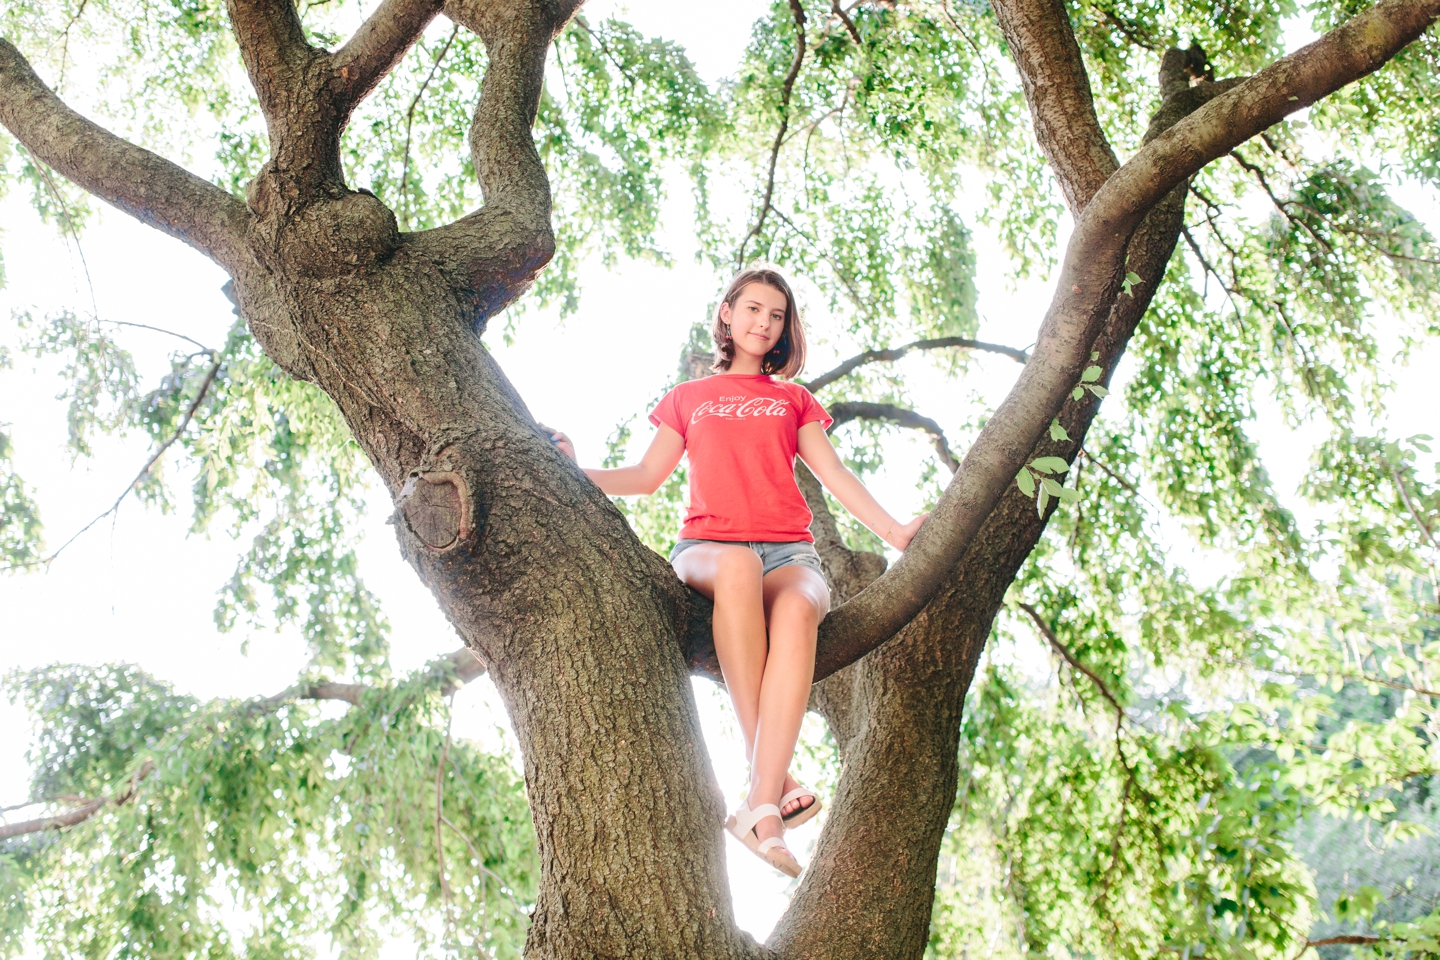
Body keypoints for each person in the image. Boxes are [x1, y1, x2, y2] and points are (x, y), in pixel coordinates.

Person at [549, 267, 927, 878]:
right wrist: (569, 471)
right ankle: (770, 793)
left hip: (789, 553)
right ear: (727, 313)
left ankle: (757, 802)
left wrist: (897, 533)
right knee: (739, 564)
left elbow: (835, 476)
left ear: (784, 329)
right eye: (753, 309)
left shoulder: (794, 400)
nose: (763, 323)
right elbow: (646, 480)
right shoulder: (687, 398)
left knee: (803, 605)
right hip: (707, 546)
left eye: (776, 316)